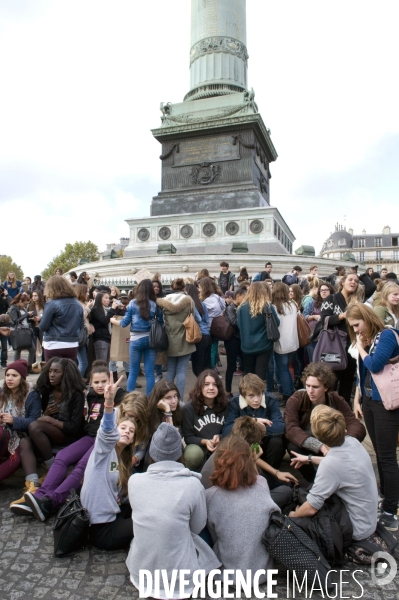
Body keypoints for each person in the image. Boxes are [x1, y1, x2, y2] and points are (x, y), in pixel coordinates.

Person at [21, 362, 127, 521]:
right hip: (89, 437)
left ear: (110, 381)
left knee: (81, 467)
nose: (100, 386)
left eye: (104, 381)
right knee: (62, 456)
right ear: (90, 382)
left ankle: (51, 502)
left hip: (103, 442)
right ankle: (40, 496)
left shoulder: (119, 395)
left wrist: (112, 396)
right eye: (96, 382)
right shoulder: (90, 395)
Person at [126, 422, 220, 598]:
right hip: (180, 581)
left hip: (141, 574)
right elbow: (197, 527)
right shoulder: (192, 485)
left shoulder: (134, 481)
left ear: (152, 453)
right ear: (180, 454)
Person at [289, 405, 378, 543]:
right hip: (368, 520)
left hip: (356, 529)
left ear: (317, 434)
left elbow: (311, 507)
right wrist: (309, 459)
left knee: (298, 521)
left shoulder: (330, 465)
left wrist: (293, 515)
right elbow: (339, 463)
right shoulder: (352, 441)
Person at [347, 303, 399, 531]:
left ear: (367, 318)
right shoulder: (369, 338)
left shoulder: (386, 335)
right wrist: (358, 399)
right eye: (353, 328)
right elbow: (363, 372)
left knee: (387, 457)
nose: (357, 331)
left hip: (385, 403)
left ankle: (390, 508)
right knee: (380, 453)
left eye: (357, 325)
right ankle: (387, 495)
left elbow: (376, 366)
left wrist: (361, 348)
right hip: (369, 399)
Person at [9, 358, 85, 513]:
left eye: (56, 371)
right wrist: (46, 414)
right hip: (47, 436)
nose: (52, 374)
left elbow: (75, 427)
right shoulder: (46, 392)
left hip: (68, 436)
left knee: (34, 426)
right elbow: (41, 416)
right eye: (50, 371)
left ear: (66, 374)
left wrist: (50, 419)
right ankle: (32, 484)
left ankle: (51, 470)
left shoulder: (76, 394)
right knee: (24, 441)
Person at [206, 435, 280, 587]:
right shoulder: (262, 483)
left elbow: (213, 534)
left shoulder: (210, 496)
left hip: (228, 576)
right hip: (263, 573)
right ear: (249, 461)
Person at [284, 362, 366, 482]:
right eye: (307, 385)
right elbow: (291, 428)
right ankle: (314, 481)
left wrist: (343, 441)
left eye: (315, 387)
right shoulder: (297, 399)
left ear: (326, 387)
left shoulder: (335, 399)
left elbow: (355, 424)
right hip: (307, 443)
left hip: (330, 443)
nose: (310, 391)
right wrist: (320, 446)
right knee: (292, 446)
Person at [80, 388, 135, 550]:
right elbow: (105, 432)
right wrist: (109, 404)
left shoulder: (122, 462)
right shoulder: (104, 451)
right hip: (101, 527)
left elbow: (124, 498)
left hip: (114, 516)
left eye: (131, 431)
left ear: (132, 440)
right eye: (123, 427)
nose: (127, 431)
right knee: (147, 523)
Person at [223, 373, 286, 468]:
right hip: (244, 444)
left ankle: (272, 473)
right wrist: (252, 422)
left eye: (259, 394)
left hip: (265, 442)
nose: (256, 400)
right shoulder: (235, 402)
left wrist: (261, 429)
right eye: (251, 396)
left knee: (276, 442)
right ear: (243, 395)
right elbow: (227, 430)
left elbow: (280, 427)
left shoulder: (271, 400)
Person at [111, 279, 160, 394]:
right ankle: (149, 399)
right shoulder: (155, 304)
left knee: (133, 371)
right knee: (149, 372)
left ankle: (130, 399)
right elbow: (161, 322)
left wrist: (113, 320)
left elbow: (124, 323)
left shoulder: (132, 303)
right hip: (151, 340)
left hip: (135, 340)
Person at [320, 272, 360, 404]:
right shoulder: (331, 298)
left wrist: (361, 274)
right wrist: (340, 317)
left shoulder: (357, 301)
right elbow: (324, 320)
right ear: (342, 282)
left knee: (348, 379)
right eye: (350, 279)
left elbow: (371, 287)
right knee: (332, 380)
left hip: (352, 345)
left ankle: (344, 408)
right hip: (335, 345)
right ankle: (328, 409)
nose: (353, 282)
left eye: (356, 281)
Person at [0, 360, 41, 482]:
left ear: (22, 378)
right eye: (7, 375)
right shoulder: (2, 392)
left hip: (20, 436)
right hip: (3, 434)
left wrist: (14, 421)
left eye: (14, 375)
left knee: (15, 459)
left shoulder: (31, 395)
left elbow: (34, 421)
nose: (10, 379)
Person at [156, 278, 196, 400]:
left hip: (169, 339)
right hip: (186, 339)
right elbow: (194, 315)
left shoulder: (163, 301)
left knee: (171, 370)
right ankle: (179, 400)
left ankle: (167, 397)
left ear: (172, 288)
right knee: (182, 371)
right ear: (184, 287)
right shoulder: (188, 300)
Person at [182, 370, 229, 471]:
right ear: (199, 387)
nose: (211, 388)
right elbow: (188, 437)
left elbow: (230, 430)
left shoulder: (226, 405)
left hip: (221, 446)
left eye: (215, 385)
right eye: (206, 384)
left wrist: (220, 437)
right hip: (199, 447)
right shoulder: (189, 408)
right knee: (193, 455)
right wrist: (205, 442)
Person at [236, 282, 279, 381]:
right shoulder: (267, 306)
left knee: (248, 370)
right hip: (264, 345)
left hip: (246, 345)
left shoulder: (241, 308)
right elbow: (276, 323)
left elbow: (239, 325)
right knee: (261, 371)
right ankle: (260, 394)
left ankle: (246, 393)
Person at [39, 276, 84, 361]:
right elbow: (81, 325)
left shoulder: (51, 304)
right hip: (72, 343)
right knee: (69, 371)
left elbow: (43, 326)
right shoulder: (77, 304)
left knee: (53, 371)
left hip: (54, 343)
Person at [272, 282, 299, 404]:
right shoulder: (293, 304)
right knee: (285, 368)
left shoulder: (275, 307)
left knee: (283, 369)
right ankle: (284, 390)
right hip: (293, 342)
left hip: (281, 343)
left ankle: (288, 394)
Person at [198, 277, 226, 369]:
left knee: (211, 350)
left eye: (200, 287)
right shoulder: (217, 297)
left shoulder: (208, 300)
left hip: (210, 328)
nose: (199, 289)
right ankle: (212, 368)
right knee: (213, 349)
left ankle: (211, 370)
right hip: (217, 327)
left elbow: (203, 314)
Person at [185, 283, 211, 376]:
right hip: (207, 335)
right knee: (206, 364)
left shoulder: (191, 304)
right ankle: (207, 383)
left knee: (197, 367)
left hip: (198, 335)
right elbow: (208, 320)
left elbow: (198, 319)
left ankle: (202, 385)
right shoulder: (202, 304)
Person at [7, 292, 36, 370]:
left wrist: (30, 317)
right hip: (18, 331)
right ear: (20, 301)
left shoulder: (22, 308)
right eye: (25, 303)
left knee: (32, 349)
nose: (25, 305)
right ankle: (16, 368)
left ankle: (29, 367)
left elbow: (23, 320)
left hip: (25, 330)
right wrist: (26, 315)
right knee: (18, 350)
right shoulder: (13, 308)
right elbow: (15, 321)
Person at [90, 291, 118, 364]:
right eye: (106, 298)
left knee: (107, 363)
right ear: (99, 299)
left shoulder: (107, 309)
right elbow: (104, 320)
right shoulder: (95, 309)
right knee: (102, 363)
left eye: (108, 298)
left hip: (108, 338)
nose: (108, 300)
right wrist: (112, 309)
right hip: (100, 339)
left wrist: (118, 308)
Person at [28, 289, 45, 354]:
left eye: (35, 296)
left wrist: (40, 318)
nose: (34, 297)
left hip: (42, 327)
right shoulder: (30, 306)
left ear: (39, 296)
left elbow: (47, 316)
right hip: (33, 327)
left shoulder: (44, 305)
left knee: (43, 346)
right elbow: (27, 317)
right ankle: (33, 362)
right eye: (33, 296)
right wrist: (32, 318)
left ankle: (44, 362)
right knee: (33, 347)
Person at [0, 285, 11, 367]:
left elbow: (11, 304)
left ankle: (3, 362)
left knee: (4, 345)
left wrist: (7, 295)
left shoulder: (5, 298)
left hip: (4, 322)